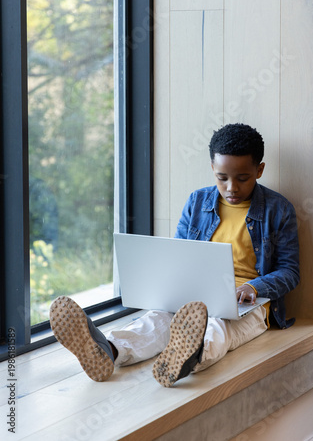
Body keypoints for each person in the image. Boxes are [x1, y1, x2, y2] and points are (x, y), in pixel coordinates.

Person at [50, 123, 300, 387]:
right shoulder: (198, 202)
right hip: (194, 295)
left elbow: (290, 271)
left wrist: (253, 286)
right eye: (222, 177)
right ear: (212, 169)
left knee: (218, 328)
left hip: (249, 304)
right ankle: (107, 351)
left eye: (242, 178)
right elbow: (179, 253)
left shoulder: (279, 209)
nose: (231, 188)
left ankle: (187, 356)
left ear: (259, 170)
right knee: (156, 320)